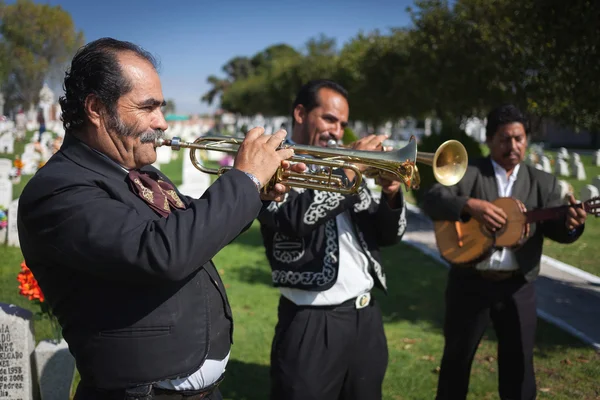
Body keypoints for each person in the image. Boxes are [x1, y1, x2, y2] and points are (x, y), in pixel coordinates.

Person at [17, 37, 303, 400]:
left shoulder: (143, 173)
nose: (163, 122)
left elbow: (198, 229)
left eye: (161, 107)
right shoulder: (58, 190)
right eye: (147, 107)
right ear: (96, 108)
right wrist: (243, 180)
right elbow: (162, 253)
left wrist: (256, 195)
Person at [421, 104, 587, 400]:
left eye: (519, 138)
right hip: (468, 283)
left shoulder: (543, 182)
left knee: (519, 371)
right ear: (489, 140)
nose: (513, 146)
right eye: (504, 139)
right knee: (455, 365)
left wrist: (573, 226)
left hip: (517, 286)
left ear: (526, 140)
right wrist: (469, 205)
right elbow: (432, 199)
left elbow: (557, 231)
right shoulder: (469, 172)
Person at [257, 79, 408, 400]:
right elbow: (295, 219)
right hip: (311, 322)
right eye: (329, 119)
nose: (337, 131)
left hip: (366, 319)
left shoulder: (342, 165)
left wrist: (392, 193)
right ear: (300, 113)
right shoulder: (271, 165)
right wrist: (352, 167)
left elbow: (387, 236)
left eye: (342, 124)